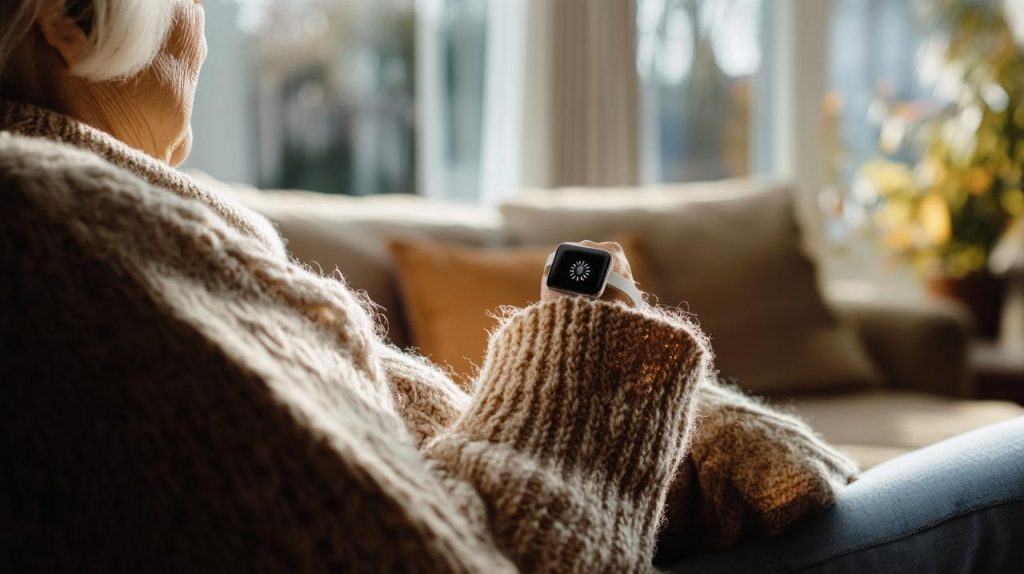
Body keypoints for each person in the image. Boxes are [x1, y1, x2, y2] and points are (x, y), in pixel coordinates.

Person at [0, 1, 1017, 572]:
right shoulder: (62, 230)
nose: (202, 32)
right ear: (71, 17)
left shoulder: (85, 228)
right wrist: (596, 365)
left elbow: (414, 470)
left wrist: (673, 430)